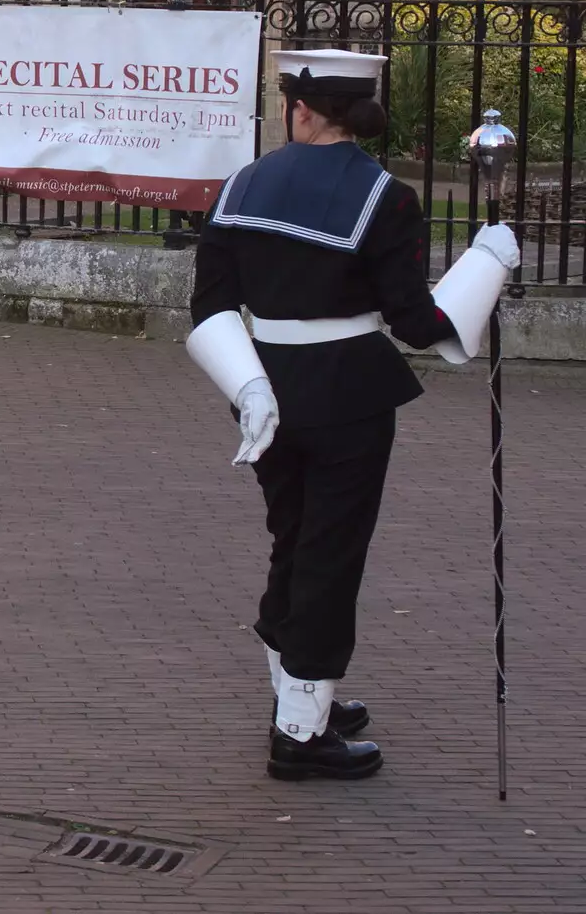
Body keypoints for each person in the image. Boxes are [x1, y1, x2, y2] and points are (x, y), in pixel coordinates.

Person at [186, 47, 521, 781]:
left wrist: (249, 389)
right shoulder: (387, 197)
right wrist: (490, 261)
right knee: (330, 555)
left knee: (294, 538)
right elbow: (416, 321)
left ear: (300, 109)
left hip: (262, 390)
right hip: (349, 397)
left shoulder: (243, 182)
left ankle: (295, 696)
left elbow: (209, 307)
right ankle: (301, 734)